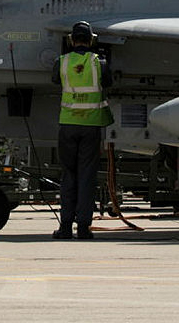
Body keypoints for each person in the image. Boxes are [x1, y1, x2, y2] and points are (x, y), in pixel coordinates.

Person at [51, 21, 113, 239]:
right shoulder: (99, 62)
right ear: (91, 39)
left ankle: (65, 227)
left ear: (71, 40)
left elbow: (54, 80)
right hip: (91, 126)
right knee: (87, 178)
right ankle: (84, 228)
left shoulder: (62, 61)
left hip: (68, 125)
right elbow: (109, 82)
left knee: (69, 176)